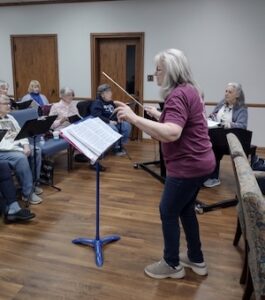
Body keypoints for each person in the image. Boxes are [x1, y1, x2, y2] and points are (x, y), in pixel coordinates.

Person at [114, 48, 215, 279]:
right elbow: (180, 123)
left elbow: (171, 133)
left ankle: (171, 264)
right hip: (202, 162)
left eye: (158, 69)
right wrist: (160, 115)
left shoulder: (178, 94)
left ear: (170, 71)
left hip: (188, 165)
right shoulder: (189, 90)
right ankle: (196, 259)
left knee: (168, 210)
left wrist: (133, 117)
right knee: (186, 208)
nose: (155, 74)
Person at [0, 95, 43, 205]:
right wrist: (19, 150)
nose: (9, 105)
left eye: (9, 103)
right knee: (20, 158)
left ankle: (33, 184)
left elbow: (21, 134)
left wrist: (26, 145)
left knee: (36, 150)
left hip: (15, 147)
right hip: (4, 151)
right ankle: (27, 193)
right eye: (5, 103)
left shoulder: (10, 118)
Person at [203, 83, 248, 188]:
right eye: (226, 91)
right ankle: (203, 174)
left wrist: (228, 124)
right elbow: (213, 115)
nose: (226, 94)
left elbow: (242, 126)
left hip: (232, 139)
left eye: (230, 92)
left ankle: (213, 177)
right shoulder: (222, 103)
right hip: (218, 135)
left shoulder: (242, 108)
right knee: (205, 143)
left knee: (212, 146)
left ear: (237, 95)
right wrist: (210, 119)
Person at [90, 84, 132, 156]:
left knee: (127, 126)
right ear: (102, 94)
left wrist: (119, 118)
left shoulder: (110, 102)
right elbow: (96, 116)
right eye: (108, 92)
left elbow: (115, 112)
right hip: (104, 123)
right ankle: (116, 148)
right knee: (113, 129)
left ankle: (120, 145)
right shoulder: (97, 103)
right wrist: (109, 121)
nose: (111, 94)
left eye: (110, 92)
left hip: (113, 121)